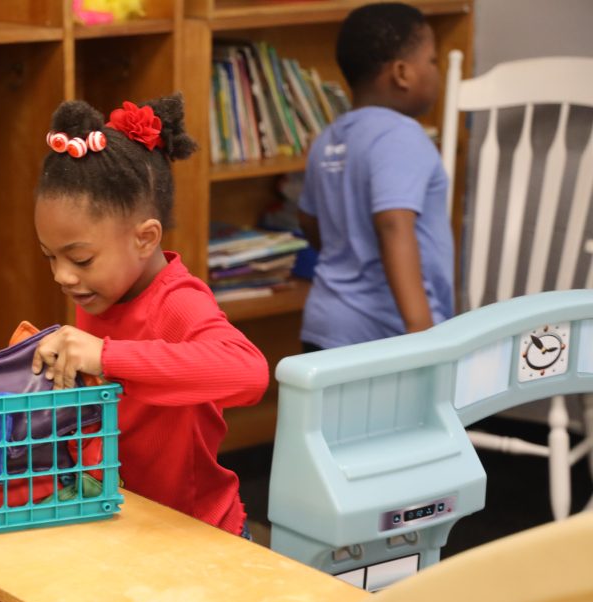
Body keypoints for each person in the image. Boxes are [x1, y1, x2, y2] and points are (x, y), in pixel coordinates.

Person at [30, 95, 269, 537]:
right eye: (51, 257)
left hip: (199, 537)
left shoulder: (178, 302)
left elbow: (250, 372)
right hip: (134, 526)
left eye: (80, 259)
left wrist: (106, 356)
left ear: (145, 239)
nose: (63, 276)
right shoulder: (104, 292)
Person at [298, 2, 452, 351]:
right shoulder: (401, 135)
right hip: (385, 334)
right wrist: (421, 332)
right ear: (402, 73)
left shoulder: (330, 137)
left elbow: (308, 220)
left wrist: (350, 253)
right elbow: (393, 223)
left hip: (326, 322)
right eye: (431, 60)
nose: (436, 70)